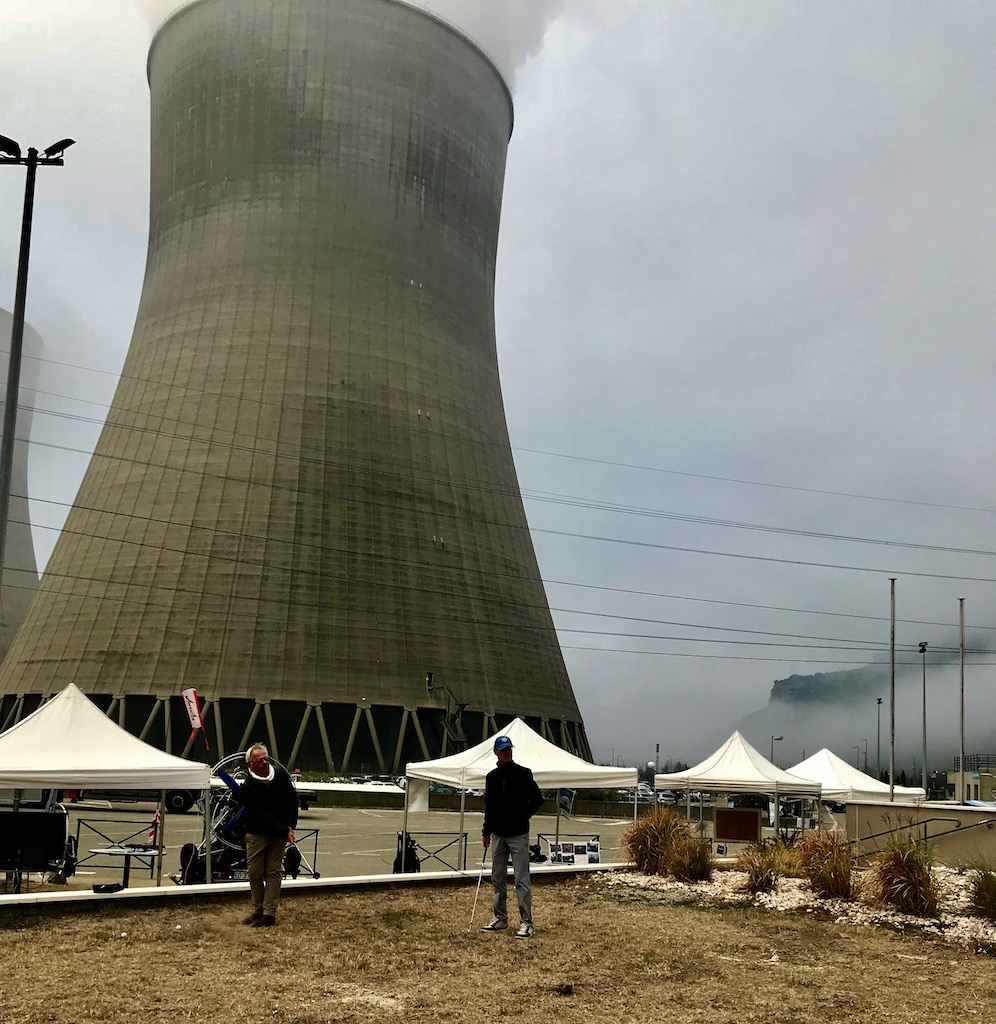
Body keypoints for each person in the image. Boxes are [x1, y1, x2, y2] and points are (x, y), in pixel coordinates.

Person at [480, 735, 545, 939]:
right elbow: (489, 807)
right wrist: (486, 831)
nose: (507, 752)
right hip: (498, 834)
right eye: (503, 749)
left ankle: (526, 922)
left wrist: (522, 815)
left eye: (509, 749)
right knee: (497, 877)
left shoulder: (523, 774)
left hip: (518, 834)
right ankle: (500, 918)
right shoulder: (492, 777)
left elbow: (537, 800)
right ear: (496, 752)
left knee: (521, 879)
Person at [239, 743, 298, 927]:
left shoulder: (280, 775)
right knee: (255, 873)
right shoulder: (248, 786)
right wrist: (284, 830)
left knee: (273, 872)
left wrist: (290, 825)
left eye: (266, 758)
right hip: (258, 833)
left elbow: (292, 801)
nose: (265, 762)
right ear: (251, 764)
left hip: (279, 834)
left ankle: (269, 914)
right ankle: (257, 911)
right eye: (260, 760)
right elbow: (259, 813)